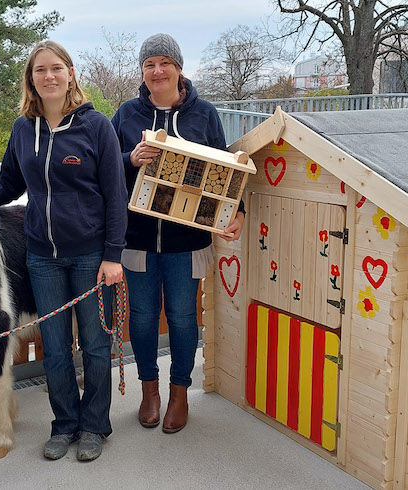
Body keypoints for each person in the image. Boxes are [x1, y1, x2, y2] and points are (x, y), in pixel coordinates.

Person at [0, 40, 127, 462]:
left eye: (56, 68)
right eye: (40, 70)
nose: (49, 76)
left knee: (95, 344)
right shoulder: (22, 128)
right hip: (42, 257)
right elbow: (8, 185)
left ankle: (94, 426)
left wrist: (113, 255)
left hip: (90, 255)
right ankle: (64, 425)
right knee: (55, 346)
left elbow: (116, 195)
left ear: (70, 73)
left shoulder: (96, 126)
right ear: (31, 79)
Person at [111, 33, 245, 434]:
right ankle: (149, 391)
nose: (157, 71)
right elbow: (106, 169)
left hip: (187, 241)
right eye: (149, 64)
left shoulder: (204, 114)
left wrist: (237, 211)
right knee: (143, 317)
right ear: (142, 72)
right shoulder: (126, 114)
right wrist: (129, 158)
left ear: (179, 68)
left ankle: (180, 392)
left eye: (164, 63)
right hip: (138, 238)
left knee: (184, 317)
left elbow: (226, 168)